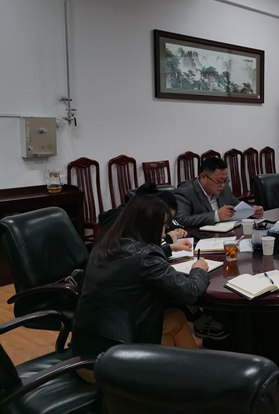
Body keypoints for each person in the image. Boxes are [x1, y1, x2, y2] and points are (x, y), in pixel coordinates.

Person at [72, 194, 210, 370]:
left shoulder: (107, 244)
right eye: (163, 226)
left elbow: (133, 259)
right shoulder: (146, 256)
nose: (164, 233)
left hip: (85, 348)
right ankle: (194, 375)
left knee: (175, 318)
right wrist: (198, 270)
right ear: (148, 225)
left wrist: (168, 248)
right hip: (111, 360)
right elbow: (190, 292)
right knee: (169, 338)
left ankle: (196, 372)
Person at [98, 183, 192, 258]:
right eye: (163, 224)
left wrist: (176, 231)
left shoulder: (137, 216)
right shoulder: (123, 222)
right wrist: (168, 239)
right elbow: (138, 254)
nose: (164, 232)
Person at [174, 157, 264, 227]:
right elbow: (180, 220)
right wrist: (216, 215)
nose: (223, 185)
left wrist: (252, 210)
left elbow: (236, 205)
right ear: (203, 177)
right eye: (219, 181)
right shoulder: (185, 192)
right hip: (199, 238)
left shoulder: (224, 188)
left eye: (225, 181)